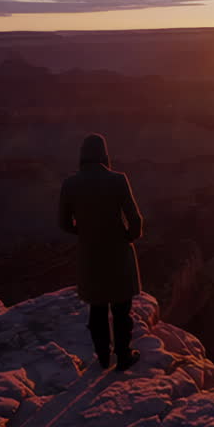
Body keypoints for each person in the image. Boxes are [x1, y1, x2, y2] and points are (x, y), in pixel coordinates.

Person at [58, 133, 144, 370]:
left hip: (90, 255)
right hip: (117, 253)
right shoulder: (118, 180)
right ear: (104, 155)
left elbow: (63, 223)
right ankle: (124, 356)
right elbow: (135, 220)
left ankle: (103, 356)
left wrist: (86, 233)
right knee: (120, 309)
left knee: (97, 308)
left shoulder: (70, 184)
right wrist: (127, 237)